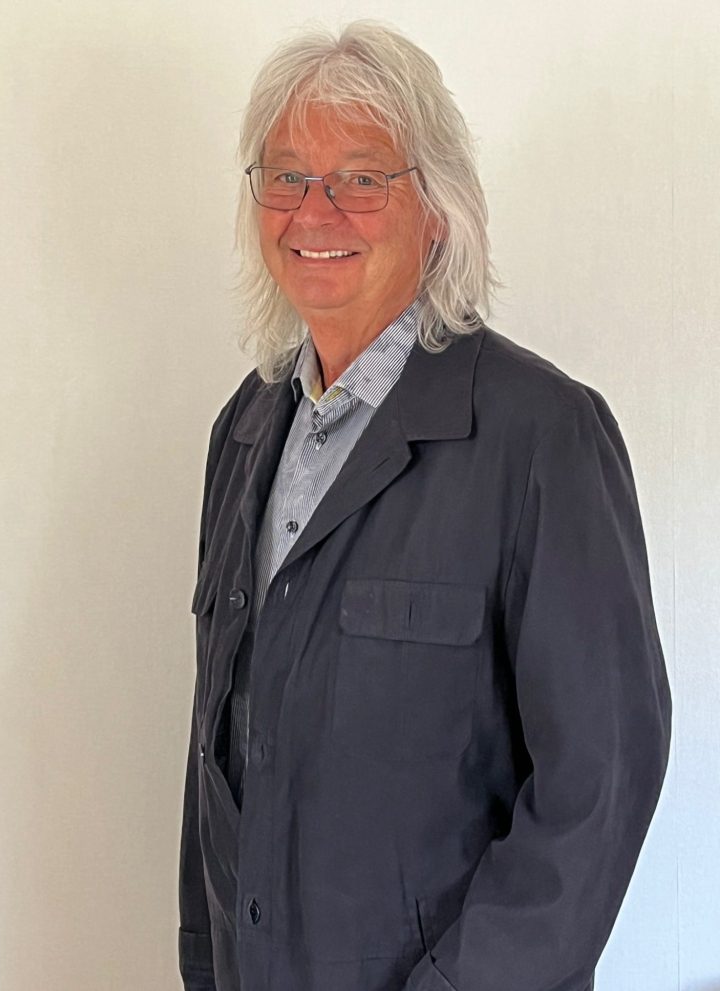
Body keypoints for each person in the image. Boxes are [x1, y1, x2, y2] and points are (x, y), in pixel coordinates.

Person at [178, 21, 671, 991]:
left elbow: (599, 783)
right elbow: (221, 752)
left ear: (437, 210)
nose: (314, 211)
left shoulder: (542, 436)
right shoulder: (244, 429)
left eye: (361, 178)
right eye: (286, 176)